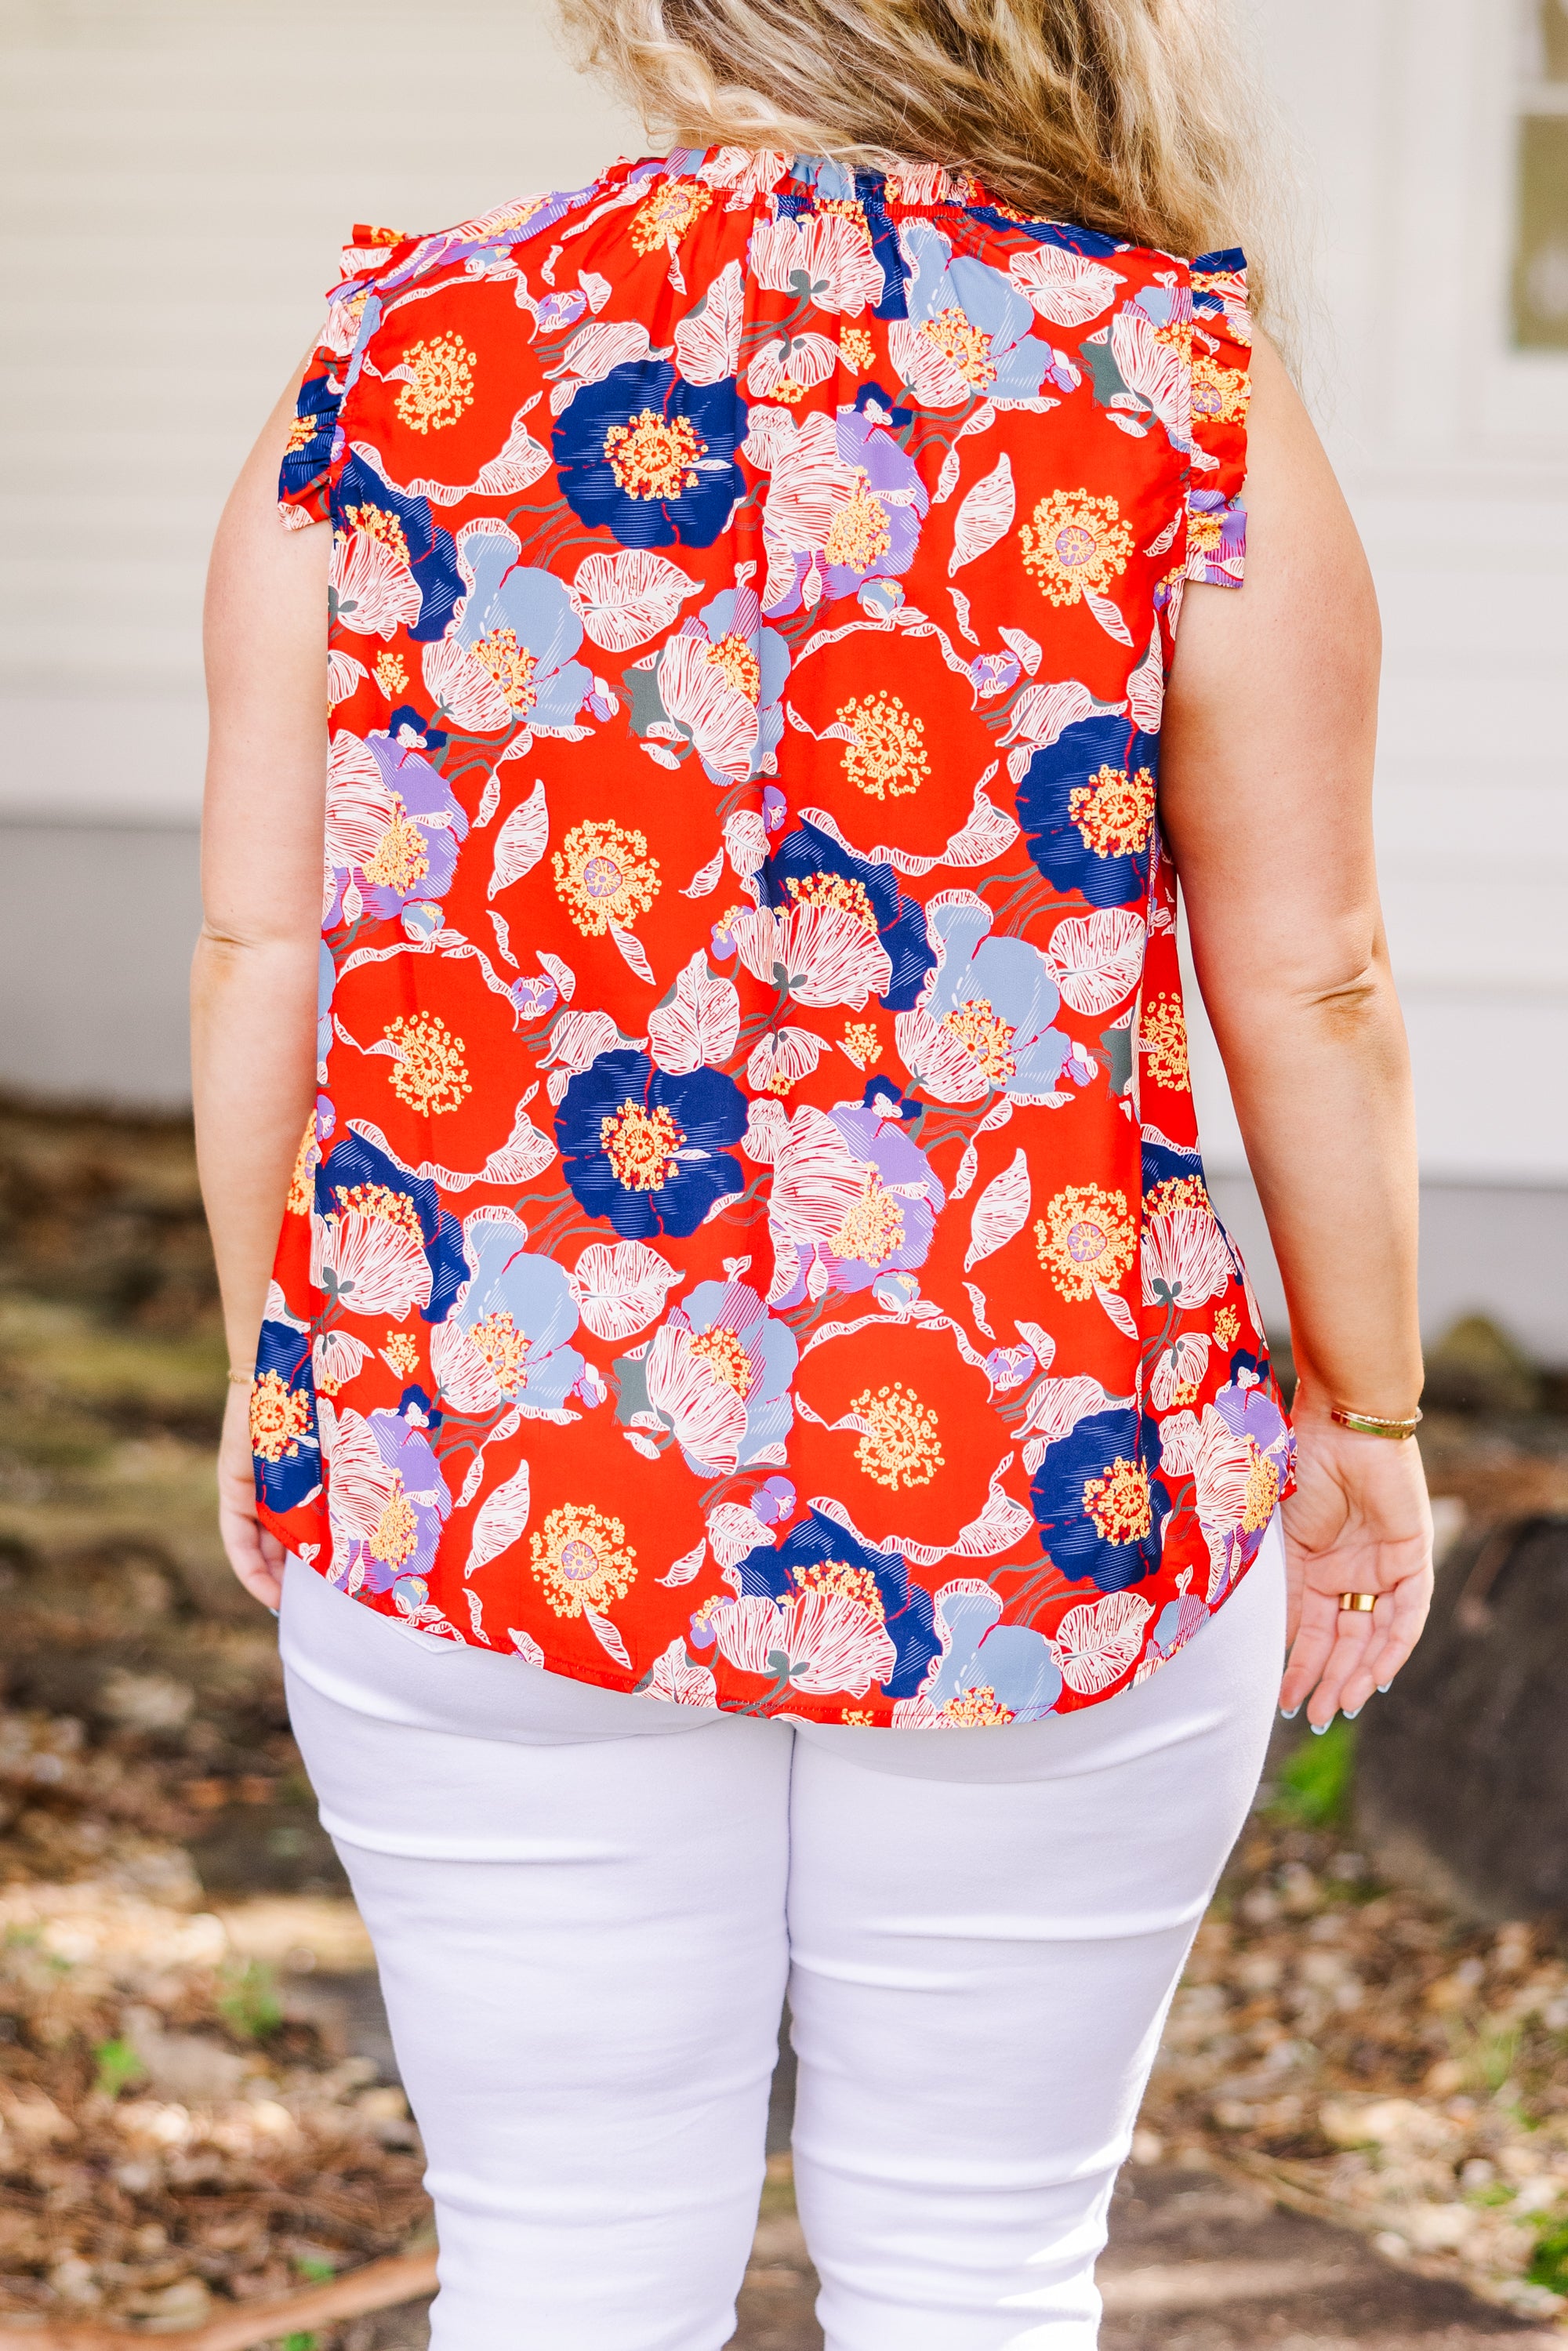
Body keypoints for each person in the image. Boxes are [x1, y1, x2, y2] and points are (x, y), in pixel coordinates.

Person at [192, 3, 1434, 2341]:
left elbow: (271, 935)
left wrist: (289, 1368)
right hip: (1054, 1461)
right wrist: (1364, 1415)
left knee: (561, 2267)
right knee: (982, 2265)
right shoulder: (1165, 377)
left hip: (483, 1435)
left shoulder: (399, 356)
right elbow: (1324, 975)